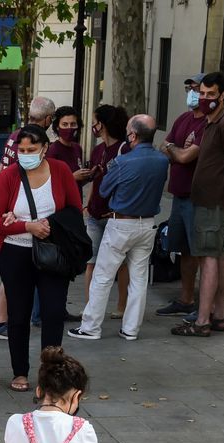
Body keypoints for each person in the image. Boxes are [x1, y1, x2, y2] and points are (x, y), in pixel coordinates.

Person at [0, 125, 83, 393]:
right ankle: (20, 371)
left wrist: (48, 224)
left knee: (53, 313)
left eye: (31, 149)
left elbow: (75, 211)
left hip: (53, 252)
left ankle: (51, 374)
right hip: (16, 253)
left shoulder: (61, 171)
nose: (26, 154)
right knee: (18, 314)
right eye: (22, 150)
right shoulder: (9, 176)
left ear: (44, 148)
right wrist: (26, 226)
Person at [69, 114, 168, 343]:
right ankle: (131, 329)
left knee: (103, 276)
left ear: (132, 135)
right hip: (147, 223)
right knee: (139, 277)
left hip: (122, 223)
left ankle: (91, 326)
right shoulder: (162, 160)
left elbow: (104, 190)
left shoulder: (123, 162)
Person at [172, 71, 224, 338]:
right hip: (206, 199)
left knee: (208, 257)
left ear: (223, 95)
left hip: (213, 201)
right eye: (201, 93)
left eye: (210, 94)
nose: (204, 98)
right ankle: (219, 316)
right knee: (217, 254)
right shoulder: (212, 123)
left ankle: (202, 320)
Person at [0, 95, 59, 342]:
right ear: (49, 119)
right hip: (19, 222)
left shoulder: (13, 136)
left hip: (15, 213)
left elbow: (0, 171)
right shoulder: (37, 141)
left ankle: (4, 319)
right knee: (16, 277)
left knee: (13, 278)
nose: (27, 153)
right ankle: (3, 320)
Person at [157, 74, 207, 318]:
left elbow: (187, 157)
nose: (192, 93)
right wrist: (177, 150)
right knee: (184, 249)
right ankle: (185, 299)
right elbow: (163, 147)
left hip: (197, 196)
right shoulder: (183, 119)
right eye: (190, 88)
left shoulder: (207, 124)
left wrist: (175, 150)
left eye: (196, 88)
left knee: (200, 251)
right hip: (178, 194)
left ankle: (204, 306)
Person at [82, 105, 130, 321]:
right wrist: (88, 203)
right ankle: (90, 307)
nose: (93, 125)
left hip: (114, 216)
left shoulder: (124, 149)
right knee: (91, 262)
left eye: (95, 120)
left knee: (120, 263)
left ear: (103, 124)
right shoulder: (98, 150)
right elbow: (94, 179)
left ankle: (122, 305)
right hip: (94, 214)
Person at [47, 106, 85, 171]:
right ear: (57, 127)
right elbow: (52, 178)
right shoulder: (52, 151)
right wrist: (73, 177)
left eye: (73, 124)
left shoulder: (77, 148)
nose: (69, 128)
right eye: (65, 124)